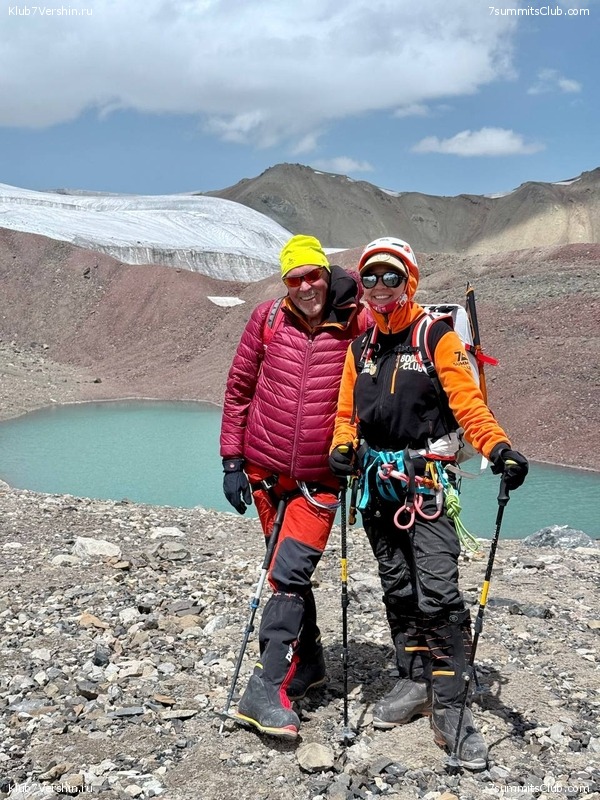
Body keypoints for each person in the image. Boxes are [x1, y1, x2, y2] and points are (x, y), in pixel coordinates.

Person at [329, 236, 528, 770]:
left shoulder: (436, 337)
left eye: (391, 276)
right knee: (397, 585)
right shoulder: (360, 348)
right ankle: (414, 680)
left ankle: (451, 707)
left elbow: (469, 405)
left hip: (429, 486)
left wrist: (499, 448)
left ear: (409, 281)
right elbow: (346, 415)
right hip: (378, 487)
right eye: (370, 277)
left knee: (437, 592)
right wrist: (343, 446)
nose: (379, 287)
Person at [220, 234, 371, 739]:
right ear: (285, 283)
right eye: (294, 279)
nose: (305, 287)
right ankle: (309, 663)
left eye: (313, 276)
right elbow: (239, 388)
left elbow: (379, 380)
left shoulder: (358, 321)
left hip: (320, 479)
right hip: (265, 474)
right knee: (288, 575)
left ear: (326, 275)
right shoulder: (267, 319)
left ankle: (265, 688)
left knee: (288, 574)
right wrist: (232, 460)